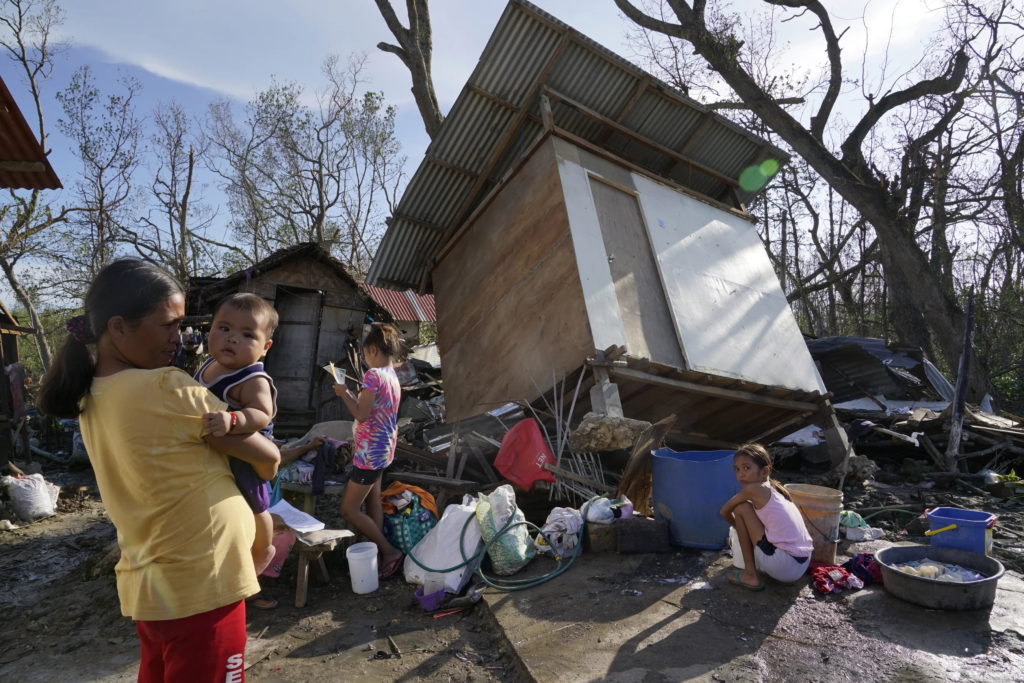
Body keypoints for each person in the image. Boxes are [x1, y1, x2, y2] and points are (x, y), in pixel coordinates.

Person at [37, 259, 280, 682]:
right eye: (168, 325)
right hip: (203, 583)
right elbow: (269, 459)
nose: (179, 337)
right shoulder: (166, 387)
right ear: (118, 327)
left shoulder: (94, 395)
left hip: (154, 584)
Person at [193, 293, 279, 578]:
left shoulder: (252, 379)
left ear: (265, 347)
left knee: (255, 502)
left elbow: (262, 413)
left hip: (247, 449)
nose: (232, 339)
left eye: (246, 334)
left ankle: (264, 547)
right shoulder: (208, 365)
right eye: (224, 328)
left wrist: (234, 418)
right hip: (217, 448)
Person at [333, 322, 404, 579]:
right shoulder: (391, 374)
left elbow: (361, 415)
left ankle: (390, 552)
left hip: (369, 454)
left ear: (372, 349)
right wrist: (351, 393)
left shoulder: (373, 375)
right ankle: (378, 550)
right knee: (373, 500)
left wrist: (343, 393)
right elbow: (372, 408)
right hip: (384, 449)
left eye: (364, 353)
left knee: (349, 510)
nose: (364, 358)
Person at [720, 443, 813, 590]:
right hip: (800, 565)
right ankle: (771, 570)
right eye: (737, 469)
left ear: (765, 471)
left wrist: (741, 531)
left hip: (784, 565)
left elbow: (724, 511)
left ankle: (750, 575)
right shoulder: (776, 491)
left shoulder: (754, 489)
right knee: (749, 513)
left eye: (746, 468)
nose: (740, 474)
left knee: (741, 508)